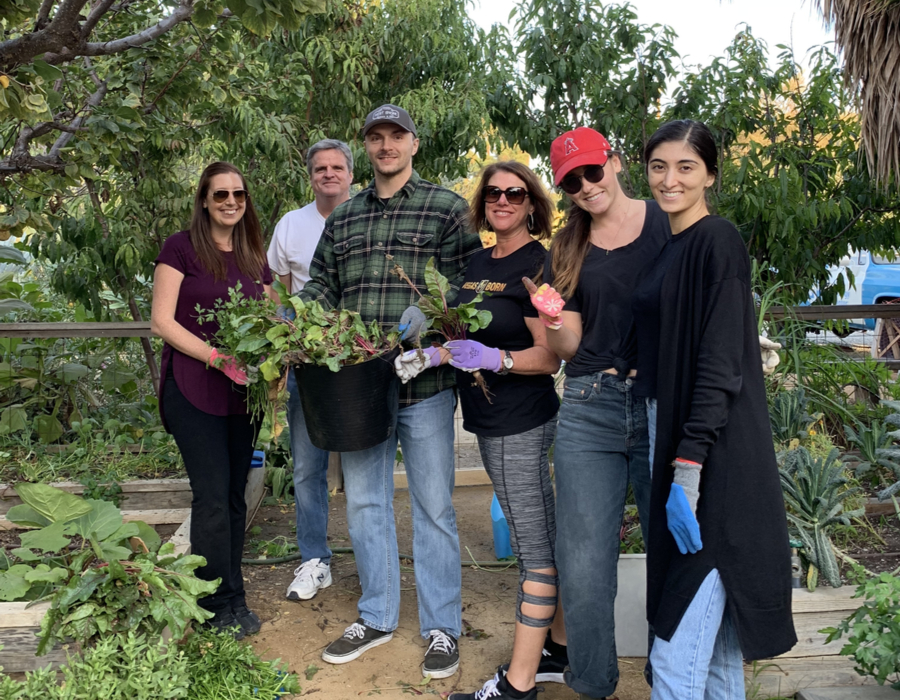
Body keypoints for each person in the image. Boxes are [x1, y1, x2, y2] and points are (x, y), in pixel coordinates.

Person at [298, 104, 482, 678]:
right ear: (367, 149)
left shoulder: (447, 208)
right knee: (367, 501)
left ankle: (442, 627)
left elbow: (472, 278)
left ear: (413, 144)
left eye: (395, 136)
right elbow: (322, 283)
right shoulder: (345, 216)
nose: (385, 146)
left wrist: (432, 305)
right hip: (358, 387)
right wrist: (310, 321)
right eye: (375, 138)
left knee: (433, 507)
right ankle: (377, 615)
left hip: (425, 384)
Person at [632, 119, 796, 699]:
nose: (669, 179)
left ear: (710, 175)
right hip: (677, 439)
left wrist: (688, 470)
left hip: (715, 462)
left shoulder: (717, 240)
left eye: (685, 167)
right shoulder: (671, 246)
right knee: (720, 657)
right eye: (658, 166)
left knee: (676, 654)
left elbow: (721, 364)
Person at [397, 162, 566, 700]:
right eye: (493, 193)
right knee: (534, 531)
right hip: (489, 419)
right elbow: (461, 333)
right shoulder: (475, 262)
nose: (503, 200)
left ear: (532, 204)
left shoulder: (538, 264)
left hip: (521, 419)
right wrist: (432, 353)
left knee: (532, 545)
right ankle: (560, 650)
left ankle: (519, 684)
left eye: (515, 193)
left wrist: (498, 359)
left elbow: (549, 357)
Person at [527, 127, 671, 699]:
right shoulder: (569, 246)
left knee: (672, 549)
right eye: (571, 182)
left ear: (612, 162)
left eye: (592, 171)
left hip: (663, 403)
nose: (586, 187)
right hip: (590, 405)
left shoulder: (668, 221)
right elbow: (568, 349)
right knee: (583, 561)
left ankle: (673, 679)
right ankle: (592, 684)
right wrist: (555, 319)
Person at [151, 161, 275, 639]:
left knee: (234, 497)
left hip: (242, 394)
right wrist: (219, 358)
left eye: (238, 195)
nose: (230, 203)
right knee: (211, 499)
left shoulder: (252, 255)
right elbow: (162, 322)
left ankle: (234, 594)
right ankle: (213, 601)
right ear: (204, 199)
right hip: (193, 386)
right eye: (220, 194)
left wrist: (275, 364)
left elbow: (269, 322)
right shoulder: (180, 248)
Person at [266, 139, 354, 602]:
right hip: (308, 363)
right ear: (310, 175)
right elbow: (279, 292)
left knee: (363, 464)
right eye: (320, 168)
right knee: (307, 466)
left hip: (361, 360)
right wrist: (288, 339)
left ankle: (369, 553)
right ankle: (314, 559)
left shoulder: (366, 215)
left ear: (351, 174)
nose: (328, 174)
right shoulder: (291, 226)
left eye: (337, 167)